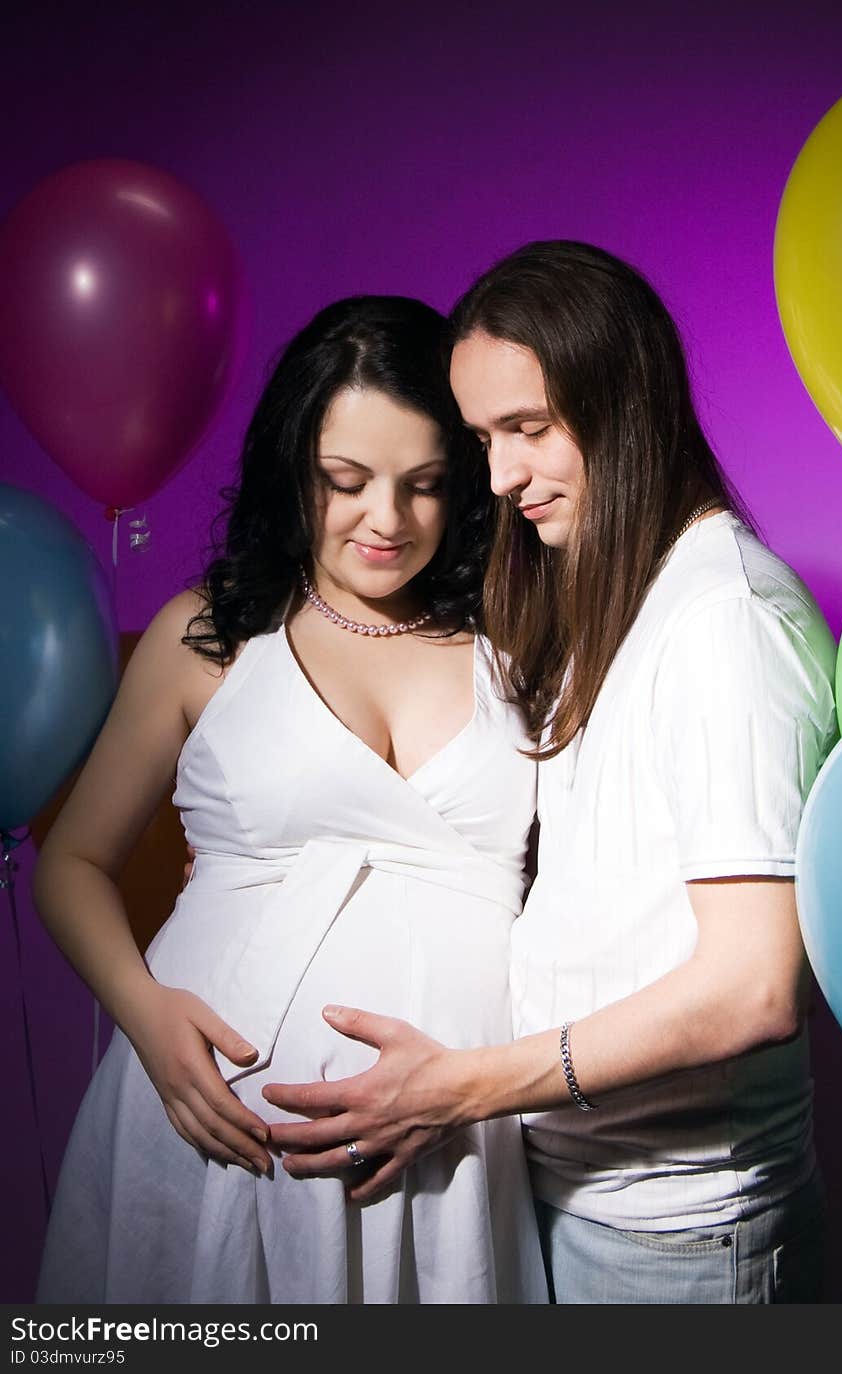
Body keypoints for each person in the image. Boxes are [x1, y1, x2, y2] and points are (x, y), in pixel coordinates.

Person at [262, 242, 839, 1304]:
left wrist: (460, 1088)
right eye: (483, 439)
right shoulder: (616, 596)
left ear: (624, 401)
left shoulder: (724, 621)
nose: (499, 478)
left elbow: (752, 989)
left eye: (526, 430)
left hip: (680, 1234)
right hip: (584, 1199)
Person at [33, 295, 548, 1305]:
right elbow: (72, 863)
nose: (386, 522)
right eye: (345, 483)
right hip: (214, 1121)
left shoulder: (521, 639)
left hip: (454, 1133)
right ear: (291, 471)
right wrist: (150, 1023)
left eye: (426, 486)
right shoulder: (209, 638)